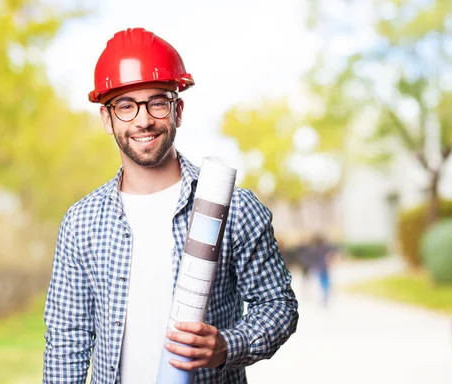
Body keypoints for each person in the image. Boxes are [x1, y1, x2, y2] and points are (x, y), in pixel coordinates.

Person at [42, 27, 299, 384]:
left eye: (157, 102)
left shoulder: (234, 208)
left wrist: (226, 345)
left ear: (178, 110)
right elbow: (66, 340)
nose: (143, 120)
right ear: (107, 118)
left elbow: (278, 307)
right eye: (126, 106)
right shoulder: (81, 222)